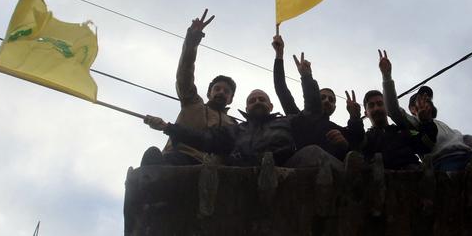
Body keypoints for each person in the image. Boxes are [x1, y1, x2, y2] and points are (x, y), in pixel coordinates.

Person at [378, 49, 472, 173]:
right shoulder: (414, 123)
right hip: (445, 164)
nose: (426, 99)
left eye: (428, 97)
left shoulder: (452, 131)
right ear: (412, 109)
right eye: (421, 97)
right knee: (455, 176)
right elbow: (392, 110)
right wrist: (387, 76)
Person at [144, 86, 343, 172]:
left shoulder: (288, 122)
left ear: (271, 106)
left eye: (262, 100)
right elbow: (204, 138)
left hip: (282, 167)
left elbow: (312, 111)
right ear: (246, 107)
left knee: (313, 153)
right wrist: (170, 128)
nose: (257, 102)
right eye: (252, 100)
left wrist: (306, 77)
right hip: (242, 171)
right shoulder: (235, 130)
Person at [141, 10, 237, 166]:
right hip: (180, 158)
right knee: (153, 158)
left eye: (226, 91)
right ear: (209, 93)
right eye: (217, 88)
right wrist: (192, 40)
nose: (221, 92)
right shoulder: (192, 102)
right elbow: (185, 73)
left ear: (231, 98)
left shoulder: (234, 125)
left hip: (215, 171)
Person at [272, 34, 364, 160]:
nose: (326, 101)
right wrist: (279, 55)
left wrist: (354, 119)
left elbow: (357, 143)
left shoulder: (338, 130)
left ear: (335, 107)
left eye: (331, 99)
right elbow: (282, 90)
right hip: (301, 172)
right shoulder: (300, 118)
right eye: (323, 97)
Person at [348, 80, 437, 170]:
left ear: (387, 108)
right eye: (371, 105)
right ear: (366, 113)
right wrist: (355, 119)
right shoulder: (367, 138)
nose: (376, 108)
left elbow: (426, 145)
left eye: (380, 104)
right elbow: (357, 142)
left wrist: (427, 122)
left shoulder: (404, 131)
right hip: (381, 181)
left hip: (415, 178)